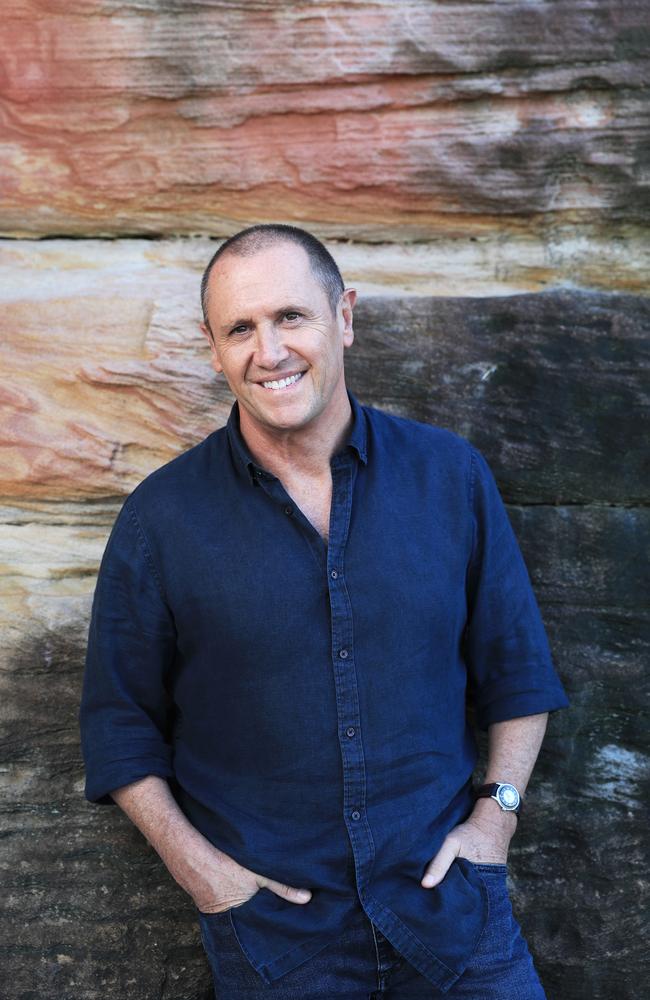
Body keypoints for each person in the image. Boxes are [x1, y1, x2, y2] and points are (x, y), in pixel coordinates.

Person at [79, 224, 570, 998]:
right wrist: (206, 877)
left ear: (344, 316)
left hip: (454, 921)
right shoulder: (160, 519)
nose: (268, 351)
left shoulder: (450, 478)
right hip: (277, 947)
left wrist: (496, 819)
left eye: (291, 317)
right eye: (240, 328)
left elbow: (519, 674)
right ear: (212, 348)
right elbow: (117, 726)